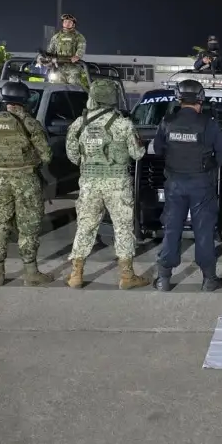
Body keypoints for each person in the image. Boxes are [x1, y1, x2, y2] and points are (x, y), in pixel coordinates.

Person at [64, 78, 149, 290]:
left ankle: (76, 275)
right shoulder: (123, 124)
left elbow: (73, 156)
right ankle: (127, 277)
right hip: (117, 182)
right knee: (123, 228)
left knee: (85, 226)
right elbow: (138, 154)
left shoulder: (79, 123)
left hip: (89, 183)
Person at [0, 81, 55, 287]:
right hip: (26, 180)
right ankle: (31, 273)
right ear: (24, 100)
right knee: (28, 227)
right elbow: (46, 155)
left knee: (0, 224)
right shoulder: (30, 123)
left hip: (0, 180)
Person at [153, 79, 222, 291]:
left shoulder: (167, 121)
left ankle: (163, 279)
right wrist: (208, 167)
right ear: (200, 98)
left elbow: (158, 149)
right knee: (203, 231)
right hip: (201, 184)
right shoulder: (208, 123)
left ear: (179, 98)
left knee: (172, 229)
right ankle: (208, 279)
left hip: (175, 184)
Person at [47, 13, 87, 85]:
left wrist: (77, 56)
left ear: (73, 24)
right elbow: (50, 50)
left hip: (73, 67)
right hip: (58, 67)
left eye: (69, 22)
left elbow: (81, 47)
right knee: (56, 87)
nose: (67, 24)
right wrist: (46, 58)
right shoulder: (56, 37)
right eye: (65, 22)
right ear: (62, 23)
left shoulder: (78, 36)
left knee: (74, 87)